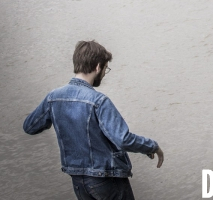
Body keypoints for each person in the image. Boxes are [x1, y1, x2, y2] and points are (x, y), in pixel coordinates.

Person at [23, 40, 164, 200]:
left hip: (78, 180)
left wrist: (57, 118)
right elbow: (123, 139)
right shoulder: (99, 101)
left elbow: (30, 126)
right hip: (106, 179)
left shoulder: (53, 98)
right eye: (105, 69)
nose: (104, 73)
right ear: (98, 67)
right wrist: (151, 146)